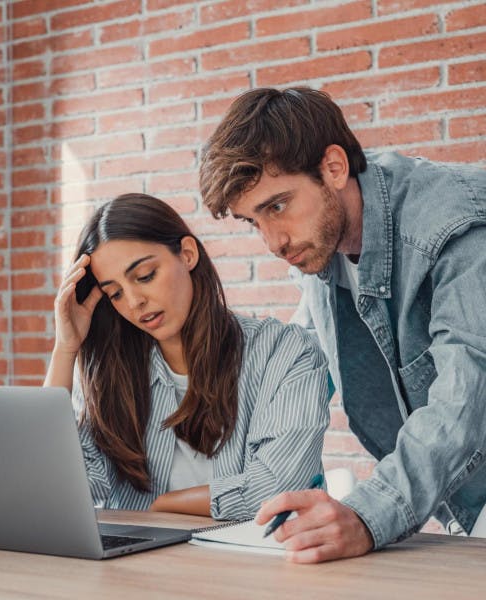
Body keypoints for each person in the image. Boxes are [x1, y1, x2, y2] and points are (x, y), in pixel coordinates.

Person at [199, 87, 486, 560]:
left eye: (276, 206)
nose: (273, 242)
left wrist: (367, 514)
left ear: (333, 167)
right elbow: (303, 358)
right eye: (253, 221)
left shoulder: (455, 227)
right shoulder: (321, 243)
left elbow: (466, 400)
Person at [44, 193, 330, 521]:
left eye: (145, 275)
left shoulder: (286, 354)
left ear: (187, 254)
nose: (134, 301)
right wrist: (65, 350)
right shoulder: (109, 372)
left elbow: (279, 488)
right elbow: (58, 488)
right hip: (134, 569)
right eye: (116, 293)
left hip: (256, 565)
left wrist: (163, 505)